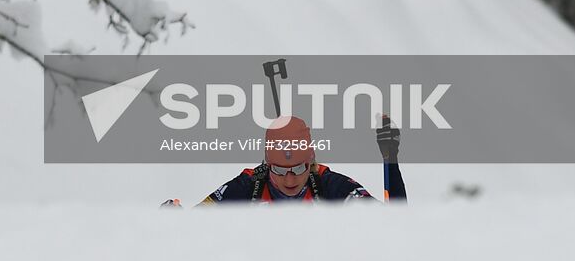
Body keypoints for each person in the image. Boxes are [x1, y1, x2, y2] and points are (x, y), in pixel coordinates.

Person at [162, 115, 405, 205]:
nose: (289, 179)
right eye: (279, 170)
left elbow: (395, 226)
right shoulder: (249, 185)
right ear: (266, 164)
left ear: (310, 162)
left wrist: (390, 159)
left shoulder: (330, 185)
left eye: (298, 168)